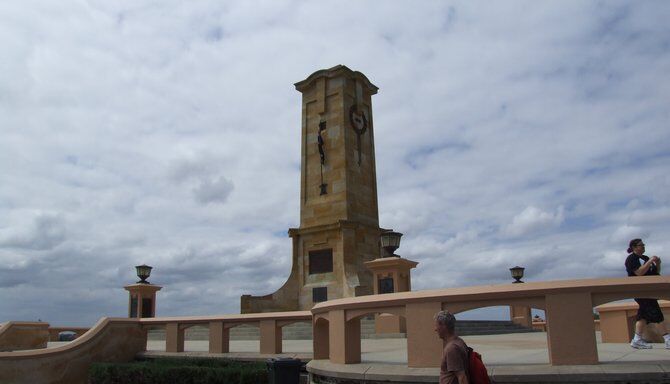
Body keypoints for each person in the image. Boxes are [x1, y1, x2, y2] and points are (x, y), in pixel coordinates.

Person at [624, 238, 670, 349]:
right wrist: (649, 262)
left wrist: (657, 263)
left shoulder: (645, 258)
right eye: (641, 245)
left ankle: (637, 340)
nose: (643, 247)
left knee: (642, 316)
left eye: (644, 245)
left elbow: (656, 273)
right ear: (634, 247)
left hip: (649, 290)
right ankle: (668, 339)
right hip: (640, 290)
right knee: (656, 314)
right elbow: (639, 273)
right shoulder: (631, 259)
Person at [434, 310, 469, 384]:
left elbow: (462, 377)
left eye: (436, 325)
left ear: (443, 326)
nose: (435, 329)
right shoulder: (459, 341)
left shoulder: (452, 348)